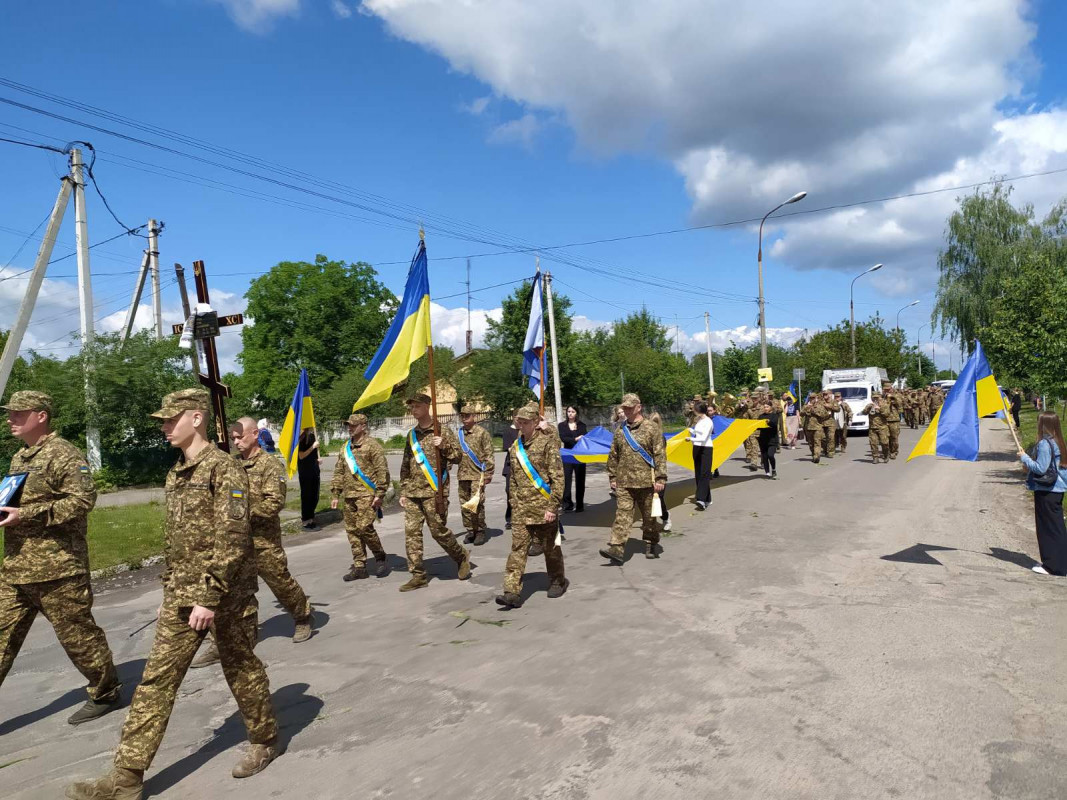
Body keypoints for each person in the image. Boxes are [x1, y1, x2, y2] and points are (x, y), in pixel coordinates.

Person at [66, 389, 278, 800]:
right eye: (162, 420)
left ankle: (265, 739)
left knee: (241, 669)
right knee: (155, 682)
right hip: (182, 596)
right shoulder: (177, 471)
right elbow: (178, 540)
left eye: (170, 419)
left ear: (196, 418)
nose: (164, 426)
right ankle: (126, 779)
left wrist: (209, 597)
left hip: (224, 596)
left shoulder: (225, 470)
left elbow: (232, 540)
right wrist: (174, 588)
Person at [0, 390, 121, 726]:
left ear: (41, 416)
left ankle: (106, 691)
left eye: (18, 414)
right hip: (16, 568)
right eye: (10, 414)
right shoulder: (20, 458)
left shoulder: (64, 454)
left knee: (79, 639)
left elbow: (82, 500)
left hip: (58, 568)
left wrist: (26, 515)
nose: (11, 419)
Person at [192, 417, 314, 669]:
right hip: (234, 543)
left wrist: (238, 514)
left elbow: (273, 503)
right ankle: (224, 643)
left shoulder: (269, 465)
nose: (236, 441)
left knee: (280, 582)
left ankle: (302, 616)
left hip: (262, 540)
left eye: (240, 436)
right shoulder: (232, 466)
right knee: (229, 594)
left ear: (255, 434)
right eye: (233, 437)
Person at [495, 402, 568, 609]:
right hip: (521, 509)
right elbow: (514, 479)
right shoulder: (516, 446)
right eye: (520, 421)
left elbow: (558, 478)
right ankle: (511, 591)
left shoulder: (547, 443)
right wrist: (513, 503)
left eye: (526, 422)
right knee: (517, 549)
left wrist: (552, 507)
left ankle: (557, 580)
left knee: (550, 548)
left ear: (536, 422)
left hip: (544, 509)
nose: (521, 425)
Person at [397, 394, 472, 592]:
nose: (414, 410)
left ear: (428, 407)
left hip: (434, 491)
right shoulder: (412, 435)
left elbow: (458, 458)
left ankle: (461, 556)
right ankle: (418, 575)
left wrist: (444, 446)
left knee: (438, 531)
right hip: (413, 491)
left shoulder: (443, 431)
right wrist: (403, 490)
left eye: (417, 406)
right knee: (412, 534)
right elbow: (406, 464)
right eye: (411, 407)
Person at [600, 393, 668, 564]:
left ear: (639, 407)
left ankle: (651, 542)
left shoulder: (651, 428)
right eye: (625, 408)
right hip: (624, 482)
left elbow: (660, 454)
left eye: (631, 407)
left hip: (647, 482)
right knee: (622, 515)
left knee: (649, 518)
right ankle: (616, 547)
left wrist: (661, 478)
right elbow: (614, 455)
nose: (627, 410)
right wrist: (612, 476)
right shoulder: (620, 431)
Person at [331, 413, 391, 581]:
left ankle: (380, 557)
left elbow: (382, 471)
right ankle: (359, 566)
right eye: (348, 425)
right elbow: (339, 471)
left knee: (364, 527)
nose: (350, 428)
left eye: (353, 425)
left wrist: (380, 494)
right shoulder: (345, 448)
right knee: (352, 531)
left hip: (367, 494)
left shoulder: (373, 446)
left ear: (363, 426)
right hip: (349, 496)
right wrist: (336, 493)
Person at [1018, 412, 1067, 576]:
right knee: (1057, 528)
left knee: (1047, 529)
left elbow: (1040, 468)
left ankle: (1052, 566)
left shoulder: (1045, 444)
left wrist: (1024, 457)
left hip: (1047, 490)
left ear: (1043, 424)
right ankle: (1060, 563)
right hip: (1057, 490)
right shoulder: (1058, 441)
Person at [455, 404, 495, 546]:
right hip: (462, 475)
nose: (464, 419)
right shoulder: (459, 433)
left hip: (477, 475)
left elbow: (489, 454)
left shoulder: (482, 433)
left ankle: (480, 531)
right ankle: (470, 530)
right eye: (463, 416)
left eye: (467, 416)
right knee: (465, 505)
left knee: (476, 504)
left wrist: (488, 473)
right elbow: (455, 453)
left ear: (474, 416)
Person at [558, 405, 587, 513]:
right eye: (568, 411)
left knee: (580, 480)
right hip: (568, 455)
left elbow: (584, 438)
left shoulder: (582, 425)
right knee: (566, 480)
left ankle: (580, 504)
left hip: (580, 455)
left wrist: (576, 436)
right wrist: (575, 438)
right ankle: (567, 503)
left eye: (573, 411)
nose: (570, 413)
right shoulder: (562, 425)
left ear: (576, 413)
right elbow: (564, 438)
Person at [648, 412, 672, 532]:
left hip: (658, 471)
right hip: (647, 471)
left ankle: (666, 517)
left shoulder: (661, 437)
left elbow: (661, 457)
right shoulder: (645, 436)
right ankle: (651, 524)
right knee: (648, 499)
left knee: (659, 497)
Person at [688, 401, 714, 509]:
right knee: (698, 474)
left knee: (704, 473)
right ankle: (707, 498)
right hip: (697, 448)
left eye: (694, 408)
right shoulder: (699, 420)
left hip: (706, 449)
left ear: (698, 410)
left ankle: (701, 499)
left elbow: (703, 438)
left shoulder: (708, 422)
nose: (693, 410)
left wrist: (691, 438)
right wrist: (691, 431)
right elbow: (699, 433)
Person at [297, 427, 321, 530]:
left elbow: (313, 455)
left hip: (314, 469)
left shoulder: (312, 436)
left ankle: (311, 518)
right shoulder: (302, 438)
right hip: (305, 471)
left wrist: (318, 459)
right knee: (307, 495)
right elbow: (301, 455)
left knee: (314, 495)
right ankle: (306, 520)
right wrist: (312, 447)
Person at [501, 413, 519, 530]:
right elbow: (509, 448)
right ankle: (510, 517)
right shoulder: (508, 431)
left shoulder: (525, 431)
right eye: (518, 418)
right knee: (510, 491)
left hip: (525, 466)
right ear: (513, 418)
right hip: (511, 465)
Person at [756, 402, 782, 478]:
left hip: (772, 439)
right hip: (763, 439)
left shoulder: (774, 415)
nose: (765, 408)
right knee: (764, 457)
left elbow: (774, 425)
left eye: (767, 407)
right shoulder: (761, 416)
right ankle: (767, 472)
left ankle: (773, 469)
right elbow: (758, 427)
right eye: (764, 407)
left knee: (770, 455)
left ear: (771, 407)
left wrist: (769, 422)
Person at [864, 393, 891, 464]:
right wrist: (868, 408)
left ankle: (886, 455)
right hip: (872, 428)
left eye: (877, 397)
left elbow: (887, 414)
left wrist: (880, 408)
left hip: (882, 427)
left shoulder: (884, 405)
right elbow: (864, 412)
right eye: (874, 398)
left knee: (884, 443)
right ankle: (875, 457)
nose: (875, 399)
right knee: (873, 443)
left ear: (880, 397)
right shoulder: (870, 405)